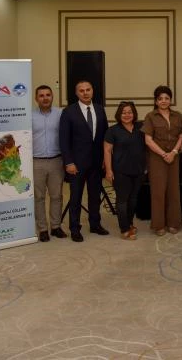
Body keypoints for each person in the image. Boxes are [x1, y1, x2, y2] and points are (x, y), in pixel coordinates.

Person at [59, 80, 109, 242]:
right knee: (76, 197)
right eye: (81, 90)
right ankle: (75, 228)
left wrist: (105, 159)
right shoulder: (68, 112)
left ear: (92, 91)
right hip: (76, 164)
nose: (85, 93)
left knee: (95, 196)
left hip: (96, 162)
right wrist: (68, 162)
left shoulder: (100, 109)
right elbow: (64, 140)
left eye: (88, 89)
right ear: (76, 93)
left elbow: (105, 136)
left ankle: (95, 224)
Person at [142, 85, 182, 236]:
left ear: (170, 100)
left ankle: (173, 223)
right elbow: (148, 140)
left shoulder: (177, 115)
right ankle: (159, 225)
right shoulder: (150, 116)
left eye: (167, 98)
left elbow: (181, 136)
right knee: (158, 191)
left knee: (174, 190)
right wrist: (164, 154)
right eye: (160, 99)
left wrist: (173, 152)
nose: (164, 101)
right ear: (156, 101)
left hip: (174, 157)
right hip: (157, 158)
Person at [104, 101, 145, 240]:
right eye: (124, 113)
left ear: (134, 114)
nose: (127, 115)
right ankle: (124, 229)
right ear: (119, 114)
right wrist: (109, 171)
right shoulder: (112, 130)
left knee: (133, 200)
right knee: (122, 201)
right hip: (120, 171)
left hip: (138, 170)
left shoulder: (141, 128)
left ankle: (130, 223)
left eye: (129, 112)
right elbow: (107, 151)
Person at [32, 85, 66, 242]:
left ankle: (56, 226)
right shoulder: (29, 116)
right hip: (36, 162)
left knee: (56, 196)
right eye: (41, 95)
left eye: (48, 95)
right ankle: (42, 229)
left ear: (52, 97)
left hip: (56, 161)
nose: (45, 98)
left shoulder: (61, 114)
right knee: (39, 197)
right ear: (36, 98)